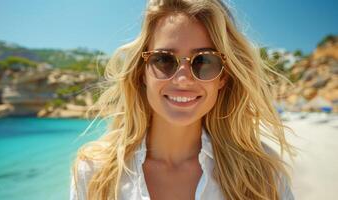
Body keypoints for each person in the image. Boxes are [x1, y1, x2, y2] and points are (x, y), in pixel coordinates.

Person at [70, 0, 296, 199]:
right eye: (164, 60)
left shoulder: (260, 174)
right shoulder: (94, 172)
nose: (183, 79)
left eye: (204, 61)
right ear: (142, 72)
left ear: (223, 77)